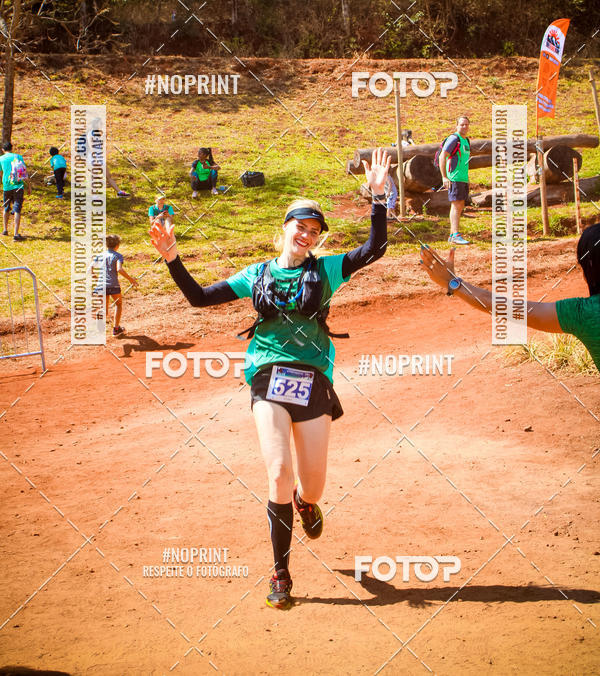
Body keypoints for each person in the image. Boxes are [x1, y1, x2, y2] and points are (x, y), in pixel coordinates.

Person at [150, 148, 391, 610]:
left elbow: (374, 249)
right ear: (284, 228)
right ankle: (281, 573)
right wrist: (173, 257)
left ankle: (305, 502)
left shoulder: (327, 269)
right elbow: (199, 298)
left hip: (313, 379)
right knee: (278, 474)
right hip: (267, 374)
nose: (307, 235)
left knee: (311, 485)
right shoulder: (256, 275)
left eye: (315, 231)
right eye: (301, 226)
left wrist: (378, 197)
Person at [419, 222, 600, 371]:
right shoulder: (584, 313)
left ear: (587, 271)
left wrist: (453, 283)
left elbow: (510, 308)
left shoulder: (585, 314)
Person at [92, 234, 139, 336]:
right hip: (113, 285)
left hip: (101, 285)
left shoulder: (100, 255)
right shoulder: (118, 256)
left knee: (103, 309)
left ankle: (98, 330)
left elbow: (90, 269)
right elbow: (119, 269)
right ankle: (116, 329)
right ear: (117, 245)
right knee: (118, 304)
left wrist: (97, 279)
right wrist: (131, 280)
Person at [438, 115, 471, 245]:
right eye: (462, 124)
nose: (464, 127)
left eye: (466, 124)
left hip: (463, 178)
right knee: (456, 205)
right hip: (454, 177)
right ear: (457, 126)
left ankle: (453, 234)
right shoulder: (454, 139)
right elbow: (442, 156)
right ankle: (455, 234)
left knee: (460, 204)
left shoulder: (466, 141)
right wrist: (444, 176)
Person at [0, 141, 31, 241]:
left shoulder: (1, 159)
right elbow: (24, 172)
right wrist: (29, 186)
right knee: (17, 208)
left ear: (3, 150)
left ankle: (5, 230)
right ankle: (16, 234)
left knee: (6, 207)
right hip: (18, 185)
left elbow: (1, 173)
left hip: (6, 186)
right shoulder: (18, 157)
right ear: (12, 148)